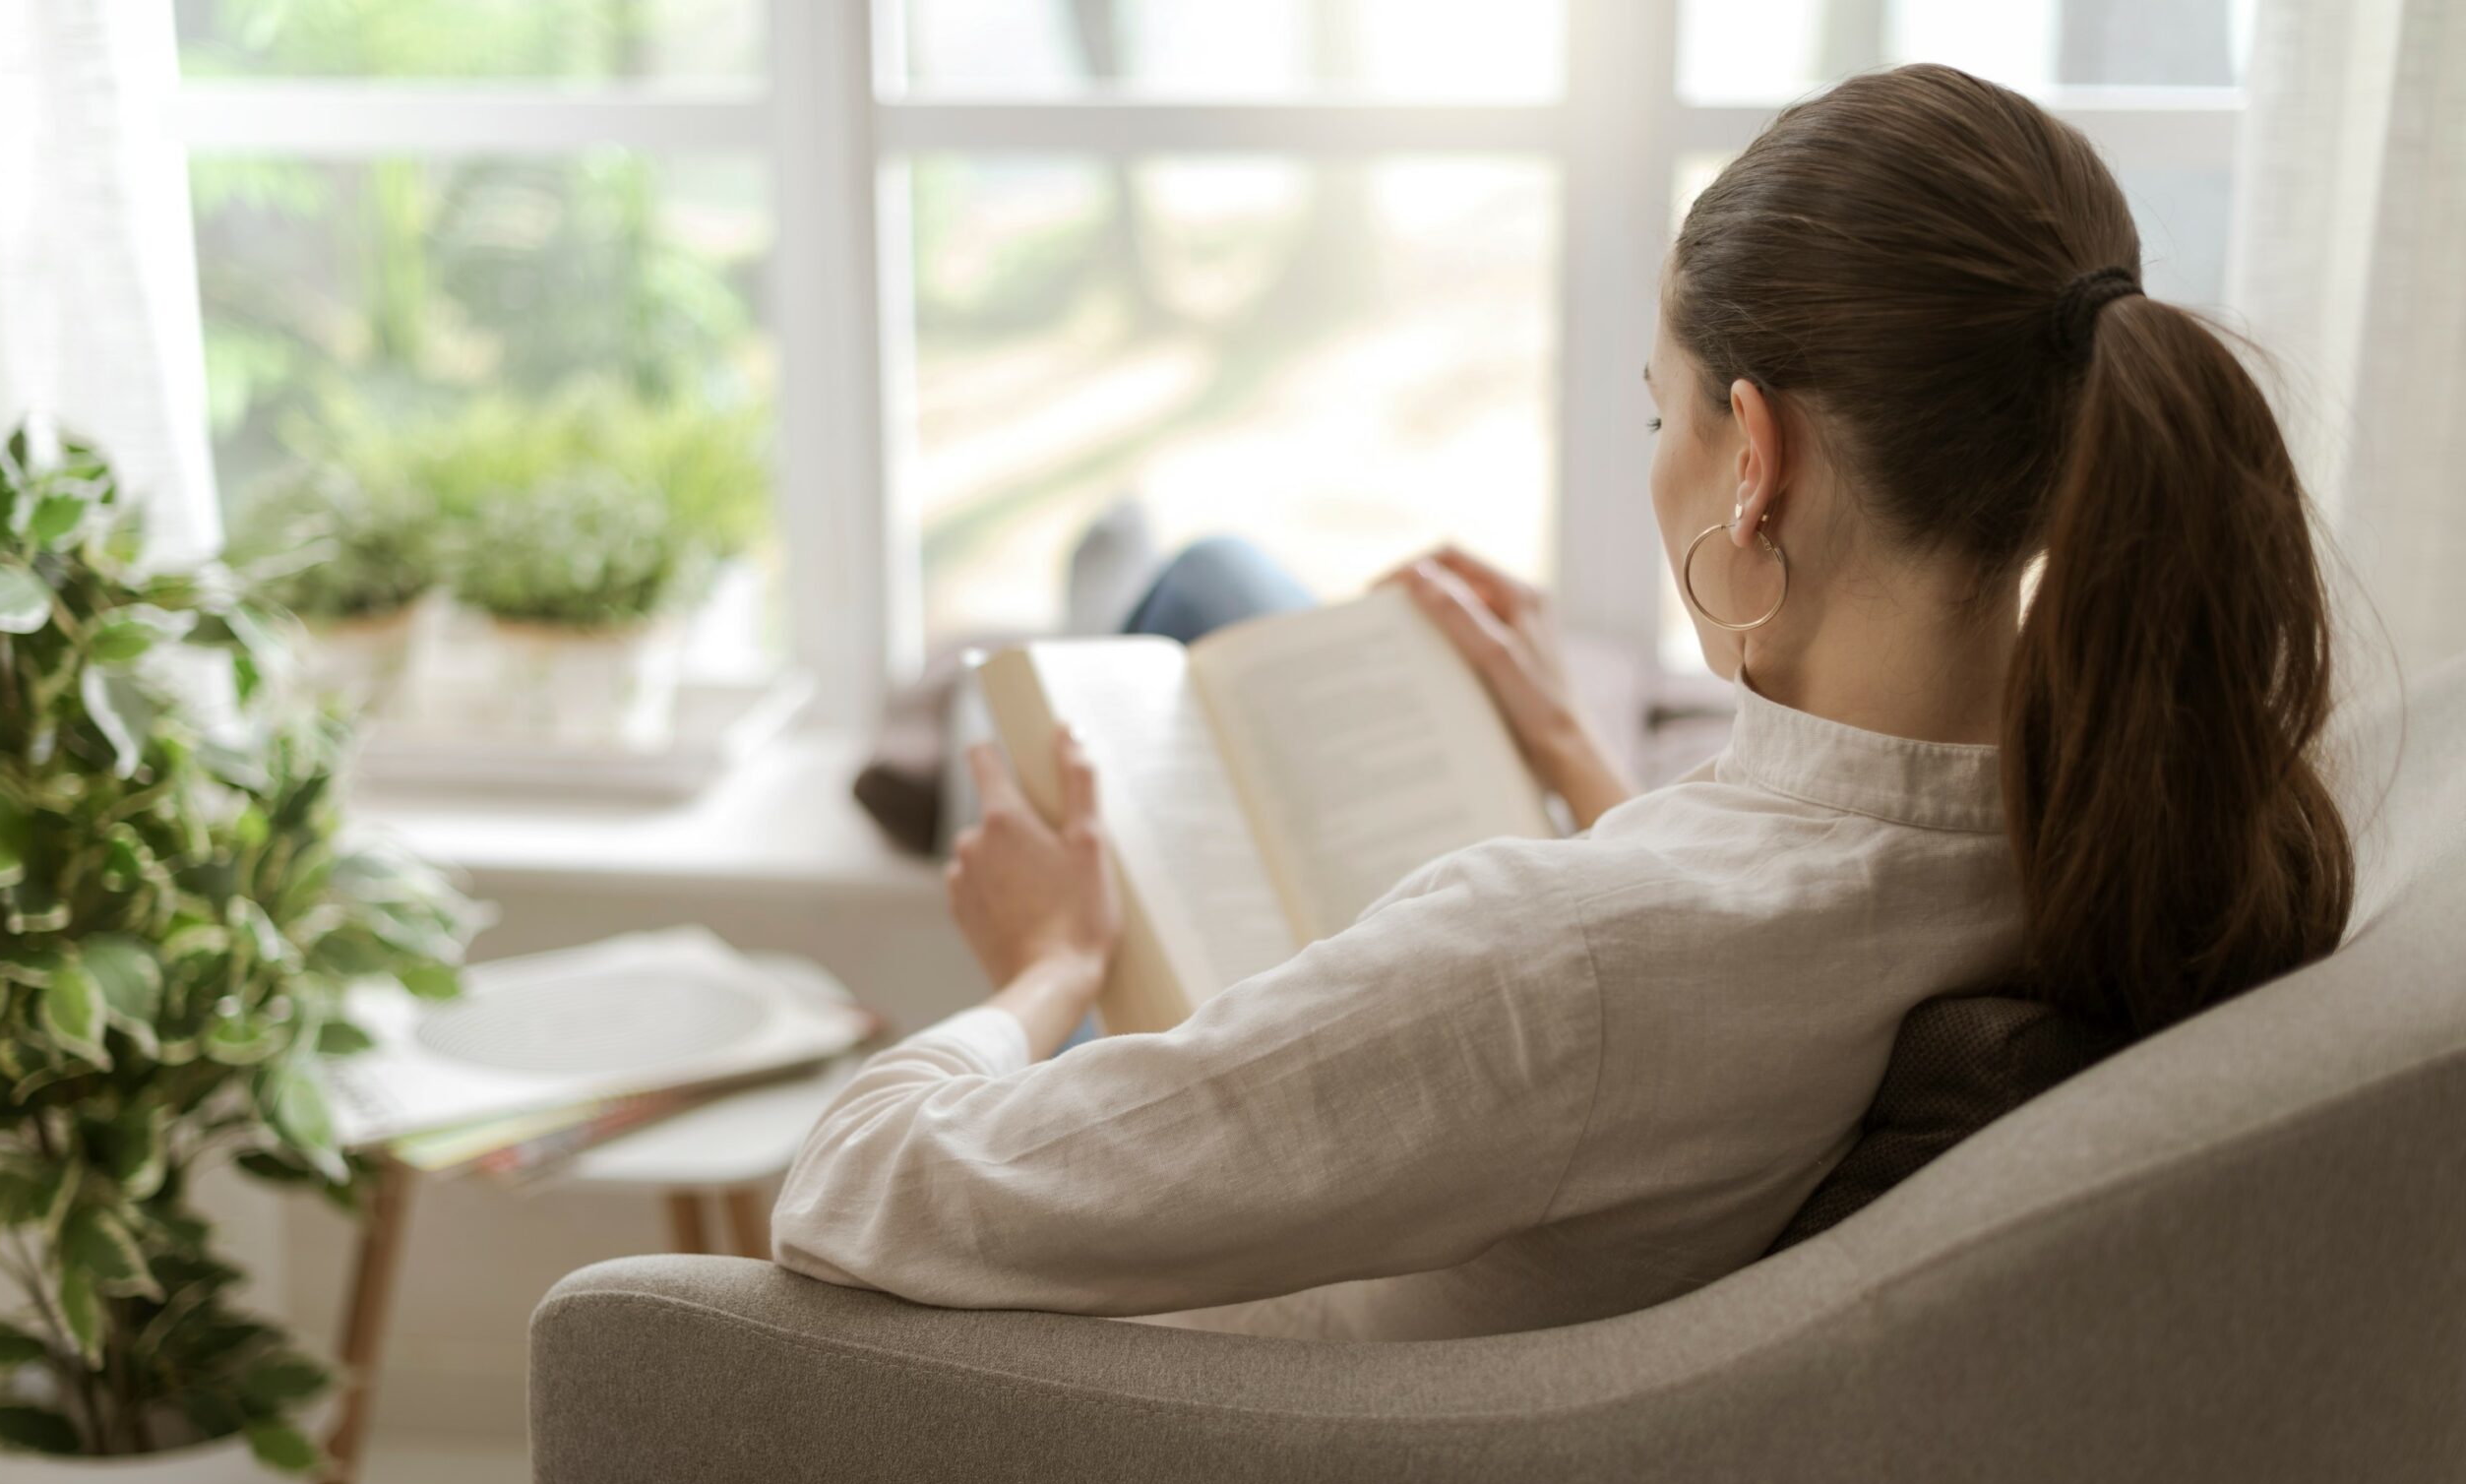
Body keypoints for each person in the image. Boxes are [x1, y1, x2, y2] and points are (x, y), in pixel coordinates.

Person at [769, 64, 2355, 1339]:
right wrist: (1580, 760)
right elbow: (1762, 947)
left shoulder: (1558, 958)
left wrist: (1045, 971)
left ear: (1757, 460)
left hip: (1288, 1367)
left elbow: (858, 1189)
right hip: (1545, 1078)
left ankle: (1108, 603)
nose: (1655, 452)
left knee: (1196, 602)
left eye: (1656, 412)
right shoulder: (2128, 820)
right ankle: (1133, 593)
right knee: (1226, 593)